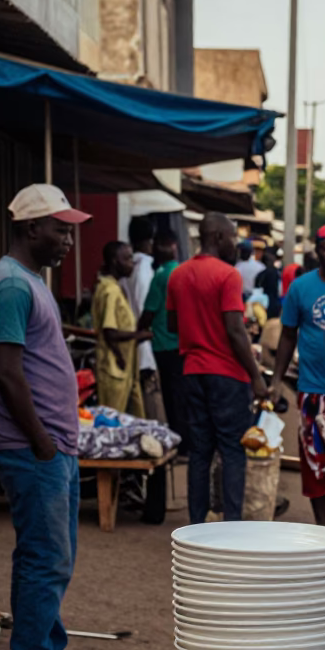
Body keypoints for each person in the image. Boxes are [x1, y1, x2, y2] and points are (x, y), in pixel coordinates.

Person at [0, 184, 99, 650]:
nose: (68, 238)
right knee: (44, 557)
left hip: (49, 445)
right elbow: (6, 373)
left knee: (52, 556)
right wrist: (43, 441)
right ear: (31, 229)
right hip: (32, 449)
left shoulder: (26, 281)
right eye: (59, 227)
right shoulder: (10, 285)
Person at [166, 213, 268, 523]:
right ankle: (231, 527)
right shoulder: (228, 275)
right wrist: (256, 376)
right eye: (234, 238)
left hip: (192, 372)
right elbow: (235, 331)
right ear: (220, 237)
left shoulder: (178, 275)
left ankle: (196, 527)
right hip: (227, 375)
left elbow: (172, 324)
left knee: (199, 452)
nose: (236, 245)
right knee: (232, 452)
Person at [271, 224, 325, 527]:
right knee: (315, 464)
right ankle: (323, 528)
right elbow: (287, 336)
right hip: (312, 392)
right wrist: (275, 382)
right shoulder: (300, 288)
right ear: (317, 252)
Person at [140, 224, 188, 454]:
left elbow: (149, 311)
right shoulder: (182, 272)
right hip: (184, 344)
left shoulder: (161, 275)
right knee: (183, 395)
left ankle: (178, 443)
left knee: (171, 397)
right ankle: (186, 442)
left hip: (164, 344)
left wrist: (138, 331)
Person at [92, 241, 150, 416]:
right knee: (112, 421)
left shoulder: (114, 287)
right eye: (127, 259)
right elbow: (110, 331)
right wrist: (138, 335)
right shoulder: (111, 291)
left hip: (125, 369)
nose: (131, 263)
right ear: (115, 262)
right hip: (114, 368)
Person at [122, 217, 163, 421]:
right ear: (150, 240)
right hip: (144, 342)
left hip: (132, 341)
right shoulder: (144, 267)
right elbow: (145, 306)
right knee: (150, 404)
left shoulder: (128, 266)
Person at [256, 246, 283, 318]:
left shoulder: (261, 273)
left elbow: (257, 289)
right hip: (274, 303)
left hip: (262, 304)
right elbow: (280, 290)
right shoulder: (276, 272)